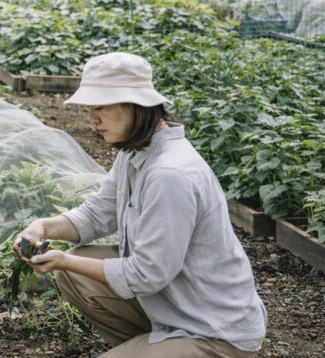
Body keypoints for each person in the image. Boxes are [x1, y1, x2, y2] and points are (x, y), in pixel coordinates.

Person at [15, 52, 266, 357]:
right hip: (176, 307)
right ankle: (156, 346)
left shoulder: (169, 174)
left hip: (215, 331)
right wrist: (43, 226)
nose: (92, 120)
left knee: (71, 265)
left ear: (135, 105)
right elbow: (96, 214)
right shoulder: (134, 154)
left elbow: (147, 275)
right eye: (90, 109)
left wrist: (64, 260)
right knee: (74, 273)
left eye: (100, 108)